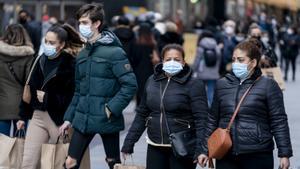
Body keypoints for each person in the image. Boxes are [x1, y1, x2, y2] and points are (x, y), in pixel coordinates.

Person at [59, 4, 137, 169]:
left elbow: (130, 85)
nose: (81, 26)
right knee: (70, 162)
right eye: (80, 22)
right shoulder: (82, 53)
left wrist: (111, 109)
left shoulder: (115, 52)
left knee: (113, 163)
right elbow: (78, 90)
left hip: (106, 119)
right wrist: (68, 118)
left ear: (97, 24)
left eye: (85, 22)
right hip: (83, 119)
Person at [197, 39, 293, 169]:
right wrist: (204, 150)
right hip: (226, 151)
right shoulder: (222, 84)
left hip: (257, 153)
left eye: (241, 60)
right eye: (234, 59)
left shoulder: (268, 85)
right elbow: (212, 119)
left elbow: (278, 120)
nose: (236, 63)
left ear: (253, 62)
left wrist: (284, 153)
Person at [121, 44, 209, 169]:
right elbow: (142, 113)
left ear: (183, 62)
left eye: (177, 59)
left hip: (182, 146)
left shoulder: (194, 84)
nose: (172, 62)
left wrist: (202, 149)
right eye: (168, 59)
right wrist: (129, 143)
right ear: (162, 61)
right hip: (155, 144)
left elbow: (202, 119)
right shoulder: (152, 81)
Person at [16, 24, 84, 169]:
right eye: (46, 41)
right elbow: (29, 87)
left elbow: (72, 96)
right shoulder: (39, 59)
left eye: (52, 43)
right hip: (38, 116)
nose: (47, 45)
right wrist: (22, 117)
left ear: (62, 45)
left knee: (55, 162)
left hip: (58, 120)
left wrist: (48, 98)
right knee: (28, 161)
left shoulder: (70, 64)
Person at [0, 24, 34, 136]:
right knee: (19, 143)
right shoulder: (28, 56)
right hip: (21, 105)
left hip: (2, 104)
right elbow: (29, 83)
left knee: (2, 142)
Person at [131, 22, 159, 105]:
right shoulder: (153, 44)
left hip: (138, 70)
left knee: (140, 89)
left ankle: (139, 105)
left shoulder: (136, 44)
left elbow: (134, 58)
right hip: (150, 69)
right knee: (148, 88)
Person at [192, 31, 221, 107]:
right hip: (213, 74)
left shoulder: (200, 48)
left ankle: (200, 106)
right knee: (211, 91)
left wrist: (193, 70)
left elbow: (196, 61)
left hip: (202, 73)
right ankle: (211, 108)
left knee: (200, 91)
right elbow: (219, 61)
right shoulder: (216, 47)